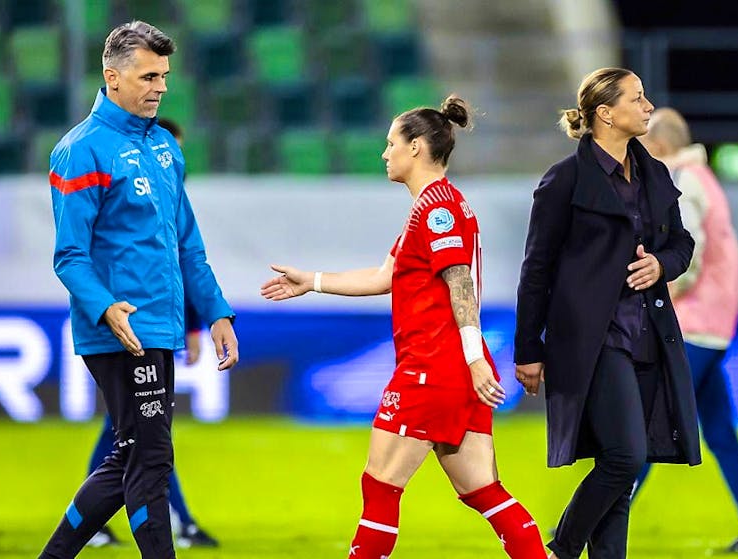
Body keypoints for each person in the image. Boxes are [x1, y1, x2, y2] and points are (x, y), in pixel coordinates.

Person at [261, 96, 548, 559]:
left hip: (435, 367)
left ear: (416, 147)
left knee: (380, 486)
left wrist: (474, 359)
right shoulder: (431, 207)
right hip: (450, 367)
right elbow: (383, 277)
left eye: (390, 143)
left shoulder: (439, 209)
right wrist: (311, 282)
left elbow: (461, 285)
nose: (384, 153)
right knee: (483, 491)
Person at [41, 21, 239, 559]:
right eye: (149, 75)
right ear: (113, 77)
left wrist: (217, 313)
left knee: (129, 456)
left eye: (165, 75)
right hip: (119, 328)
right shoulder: (80, 151)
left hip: (159, 323)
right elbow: (69, 255)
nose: (161, 86)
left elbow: (188, 245)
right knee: (150, 459)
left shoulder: (166, 151)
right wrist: (107, 309)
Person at [513, 67, 701, 559]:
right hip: (591, 340)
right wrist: (528, 350)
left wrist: (663, 264)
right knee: (625, 458)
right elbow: (536, 270)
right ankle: (561, 547)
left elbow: (682, 243)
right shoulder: (564, 179)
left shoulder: (656, 174)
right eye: (637, 99)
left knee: (620, 470)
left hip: (650, 336)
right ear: (605, 114)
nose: (647, 107)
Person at [635, 108, 738, 554]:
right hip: (713, 326)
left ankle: (590, 525)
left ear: (657, 145)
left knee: (645, 429)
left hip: (693, 325)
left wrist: (662, 294)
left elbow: (687, 253)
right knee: (719, 432)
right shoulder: (704, 178)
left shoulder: (684, 182)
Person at [84, 117, 219, 550]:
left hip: (159, 325)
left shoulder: (166, 194)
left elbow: (183, 260)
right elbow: (75, 253)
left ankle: (92, 534)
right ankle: (181, 522)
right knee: (145, 446)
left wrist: (201, 322)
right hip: (129, 325)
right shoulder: (103, 166)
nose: (169, 161)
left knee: (133, 442)